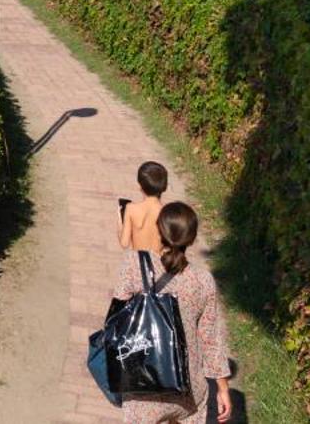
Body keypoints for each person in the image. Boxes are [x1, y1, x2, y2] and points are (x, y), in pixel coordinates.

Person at [110, 201, 232, 423]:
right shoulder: (203, 280)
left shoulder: (134, 264)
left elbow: (116, 317)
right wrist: (222, 387)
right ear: (192, 239)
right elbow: (211, 338)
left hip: (144, 384)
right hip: (188, 388)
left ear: (158, 230)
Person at [119, 160, 168, 251]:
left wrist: (119, 220)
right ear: (164, 187)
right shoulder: (166, 213)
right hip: (157, 262)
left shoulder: (131, 208)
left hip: (137, 262)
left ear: (140, 186)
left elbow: (124, 243)